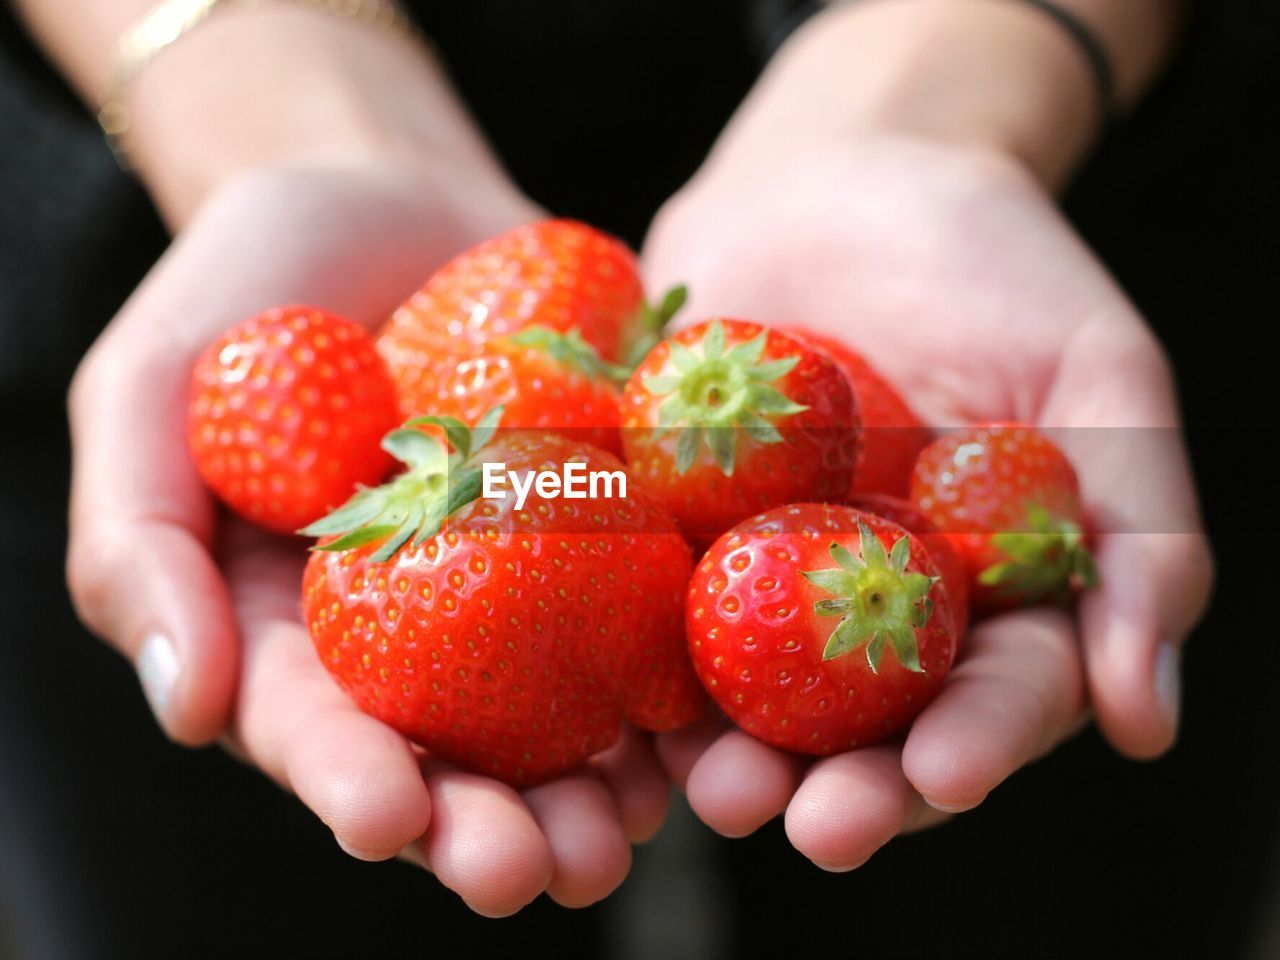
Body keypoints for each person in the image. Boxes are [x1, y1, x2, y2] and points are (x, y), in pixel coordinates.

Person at [7, 0, 1212, 922]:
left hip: (1112, 160)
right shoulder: (526, 467)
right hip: (141, 175)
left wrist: (971, 71)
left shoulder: (550, 465)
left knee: (1034, 904)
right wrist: (255, 95)